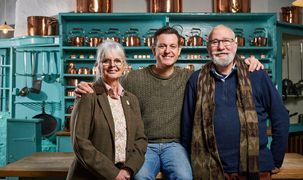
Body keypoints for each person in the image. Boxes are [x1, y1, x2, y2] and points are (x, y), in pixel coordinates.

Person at [75, 26, 263, 180]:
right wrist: (87, 86)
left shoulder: (190, 78)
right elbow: (109, 82)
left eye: (173, 46)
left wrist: (248, 62)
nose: (167, 51)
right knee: (139, 177)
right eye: (162, 46)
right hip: (144, 146)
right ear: (153, 49)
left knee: (185, 177)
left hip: (175, 146)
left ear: (179, 50)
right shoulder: (133, 78)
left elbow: (221, 67)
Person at [181, 24, 289, 180]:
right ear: (208, 48)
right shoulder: (196, 79)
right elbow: (186, 127)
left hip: (256, 169)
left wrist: (276, 159)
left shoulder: (257, 75)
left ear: (235, 45)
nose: (221, 47)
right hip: (208, 170)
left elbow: (280, 117)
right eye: (215, 42)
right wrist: (188, 163)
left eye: (226, 41)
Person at [67, 41, 147, 180]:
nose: (112, 65)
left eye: (117, 61)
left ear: (124, 66)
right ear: (97, 66)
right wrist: (113, 174)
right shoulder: (88, 95)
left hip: (124, 174)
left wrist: (128, 169)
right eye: (106, 61)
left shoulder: (131, 99)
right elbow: (80, 142)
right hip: (92, 175)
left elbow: (140, 140)